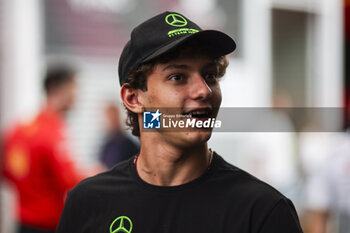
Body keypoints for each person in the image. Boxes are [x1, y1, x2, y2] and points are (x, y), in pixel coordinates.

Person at [57, 11, 304, 232]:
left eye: (210, 75)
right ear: (133, 98)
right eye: (178, 77)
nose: (204, 90)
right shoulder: (88, 203)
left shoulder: (262, 211)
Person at [1, 65, 86, 233]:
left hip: (22, 222)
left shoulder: (18, 130)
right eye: (73, 88)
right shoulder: (54, 132)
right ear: (57, 89)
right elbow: (68, 180)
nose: (77, 96)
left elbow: (7, 172)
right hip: (48, 225)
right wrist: (99, 176)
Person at [99, 103, 140, 169]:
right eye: (109, 117)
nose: (111, 120)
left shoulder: (128, 143)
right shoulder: (107, 144)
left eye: (113, 116)